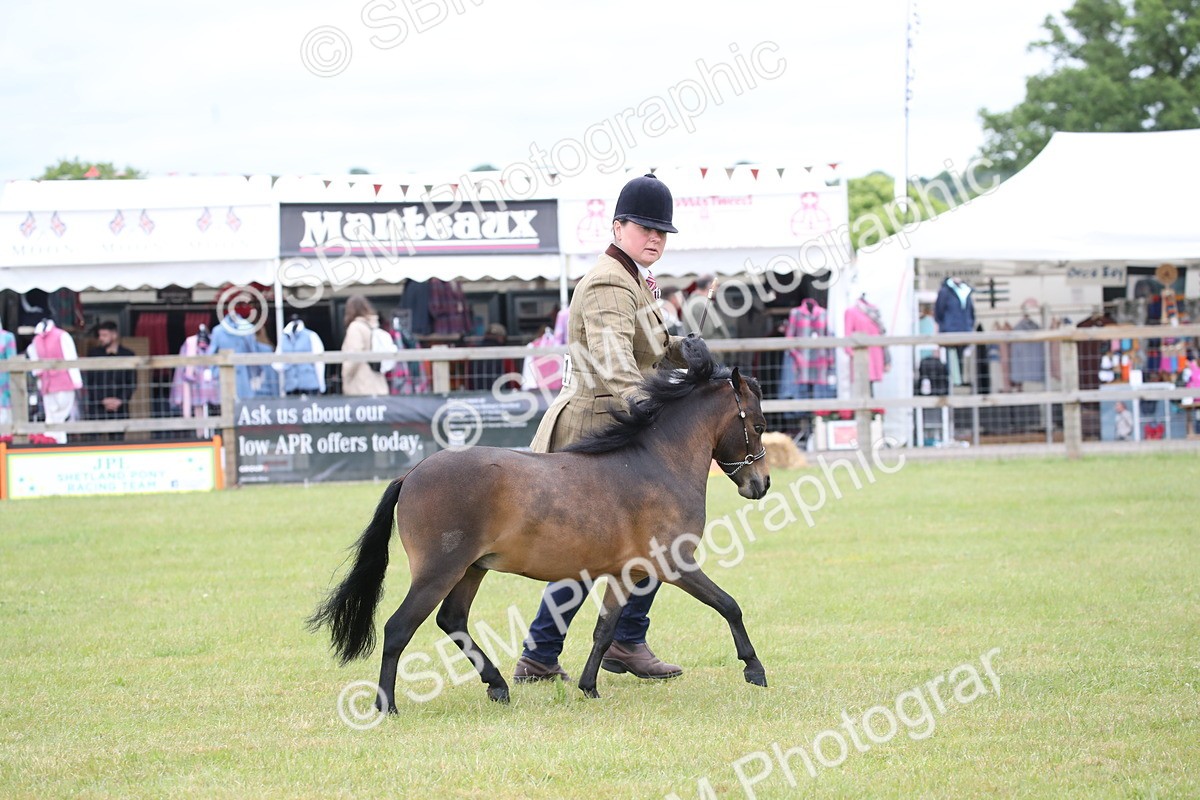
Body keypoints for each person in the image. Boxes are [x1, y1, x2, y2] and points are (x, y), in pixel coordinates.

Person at [513, 173, 690, 684]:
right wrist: (653, 415)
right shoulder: (611, 280)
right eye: (644, 227)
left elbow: (644, 346)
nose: (655, 237)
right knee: (594, 550)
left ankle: (605, 644)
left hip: (618, 424)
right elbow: (614, 361)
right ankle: (560, 652)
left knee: (638, 540)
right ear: (618, 226)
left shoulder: (634, 277)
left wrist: (682, 348)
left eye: (662, 230)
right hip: (599, 424)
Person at [85, 321, 137, 441]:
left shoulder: (128, 355)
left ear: (114, 335)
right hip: (98, 406)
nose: (101, 339)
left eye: (104, 335)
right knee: (93, 441)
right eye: (100, 335)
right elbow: (90, 381)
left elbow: (132, 382)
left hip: (119, 407)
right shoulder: (94, 354)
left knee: (118, 441)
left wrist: (120, 400)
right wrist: (103, 399)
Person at [341, 295, 389, 396]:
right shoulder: (371, 326)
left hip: (361, 384)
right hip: (377, 382)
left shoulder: (355, 327)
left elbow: (354, 355)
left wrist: (345, 375)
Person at [682, 274, 730, 339]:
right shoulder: (699, 304)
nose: (717, 288)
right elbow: (706, 334)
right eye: (716, 285)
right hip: (710, 347)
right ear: (709, 285)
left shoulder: (696, 302)